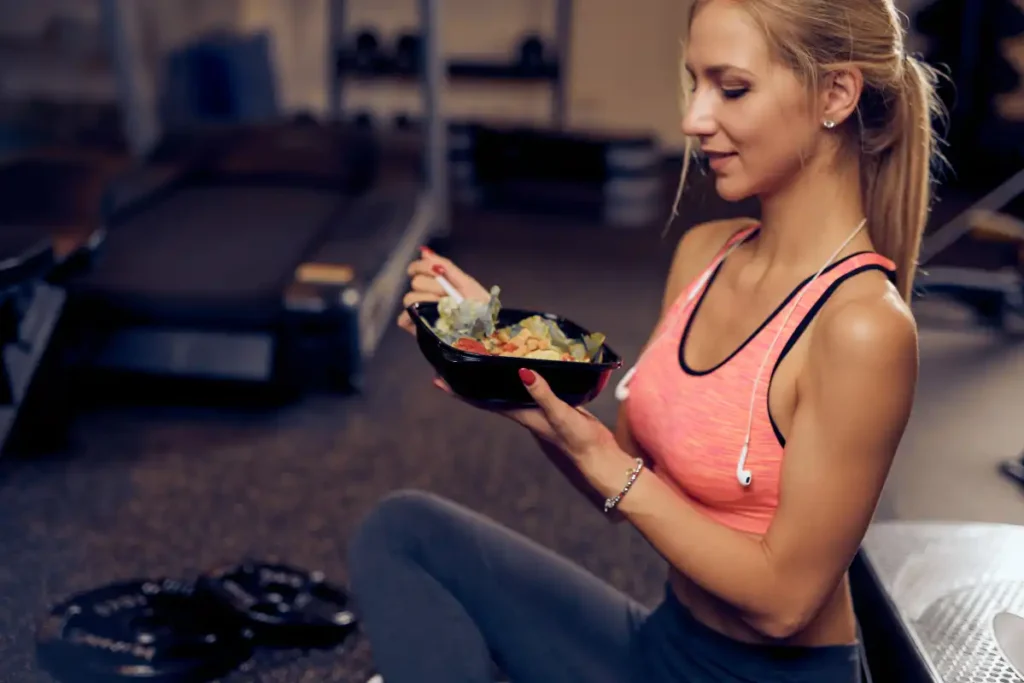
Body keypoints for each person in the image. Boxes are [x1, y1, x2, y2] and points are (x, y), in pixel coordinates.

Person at [348, 0, 942, 680]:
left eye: (733, 87)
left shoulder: (863, 325)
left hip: (769, 675)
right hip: (664, 647)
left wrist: (615, 468)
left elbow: (783, 602)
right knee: (404, 533)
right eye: (696, 84)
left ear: (835, 93)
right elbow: (626, 475)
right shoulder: (705, 254)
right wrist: (508, 363)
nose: (693, 121)